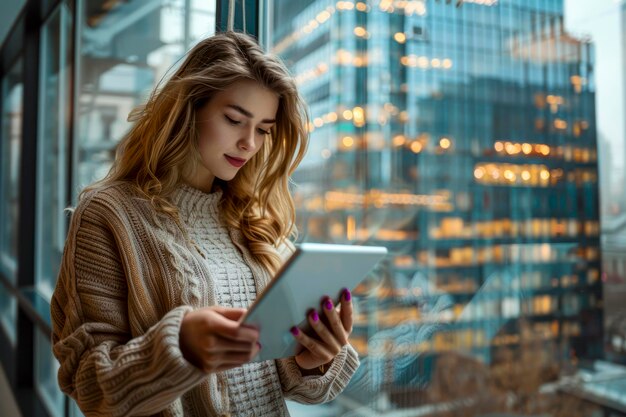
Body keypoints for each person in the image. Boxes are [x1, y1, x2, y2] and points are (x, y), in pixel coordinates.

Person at [51, 31, 360, 417]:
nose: (250, 143)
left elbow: (281, 382)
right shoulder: (108, 214)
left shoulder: (251, 218)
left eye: (263, 129)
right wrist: (180, 347)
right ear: (189, 108)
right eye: (234, 120)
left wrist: (312, 360)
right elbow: (88, 384)